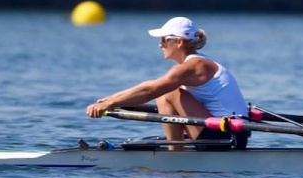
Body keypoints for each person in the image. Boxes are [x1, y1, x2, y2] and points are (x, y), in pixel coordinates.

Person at [85, 16, 247, 151]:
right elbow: (150, 86)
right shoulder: (192, 64)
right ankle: (176, 150)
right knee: (165, 92)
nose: (160, 44)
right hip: (227, 134)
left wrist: (111, 103)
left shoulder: (195, 66)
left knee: (167, 92)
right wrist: (109, 99)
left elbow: (150, 90)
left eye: (164, 39)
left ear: (179, 42)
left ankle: (175, 154)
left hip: (226, 138)